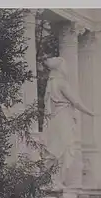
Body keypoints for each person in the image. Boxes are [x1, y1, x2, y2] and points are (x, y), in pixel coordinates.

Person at [39, 56, 95, 190]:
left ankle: (51, 180)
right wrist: (91, 113)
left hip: (54, 120)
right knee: (64, 149)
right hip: (62, 119)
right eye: (64, 65)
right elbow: (76, 101)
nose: (66, 68)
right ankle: (54, 181)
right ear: (60, 68)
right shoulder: (62, 83)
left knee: (56, 149)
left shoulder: (50, 83)